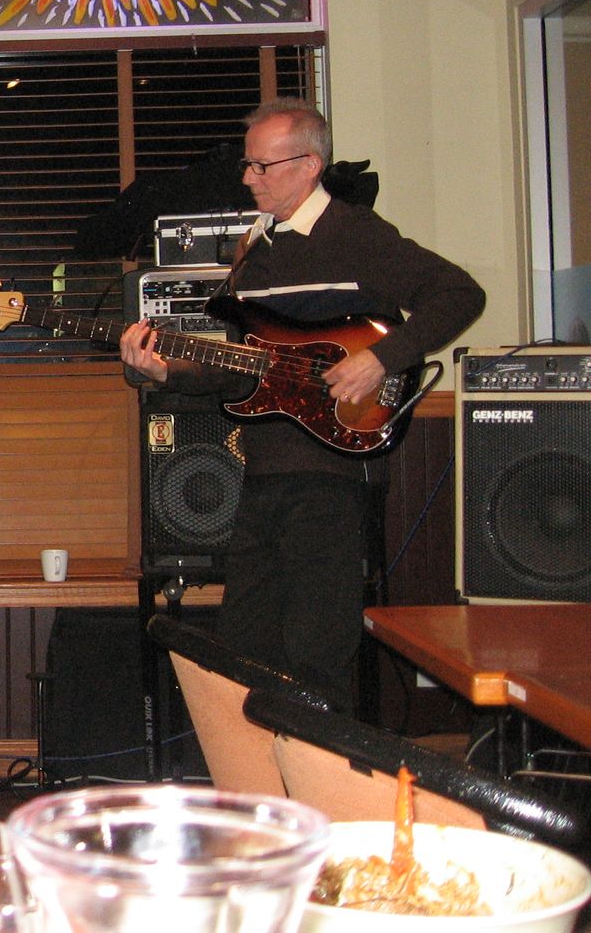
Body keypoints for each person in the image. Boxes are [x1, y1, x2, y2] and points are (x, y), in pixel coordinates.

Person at [120, 98, 484, 710]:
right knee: (244, 647)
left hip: (335, 474)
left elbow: (459, 293)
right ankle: (257, 769)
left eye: (261, 166)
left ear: (309, 165)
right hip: (263, 471)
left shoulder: (355, 233)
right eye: (248, 164)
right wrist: (165, 370)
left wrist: (381, 359)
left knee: (317, 651)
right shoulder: (254, 249)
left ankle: (320, 768)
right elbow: (242, 370)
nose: (248, 177)